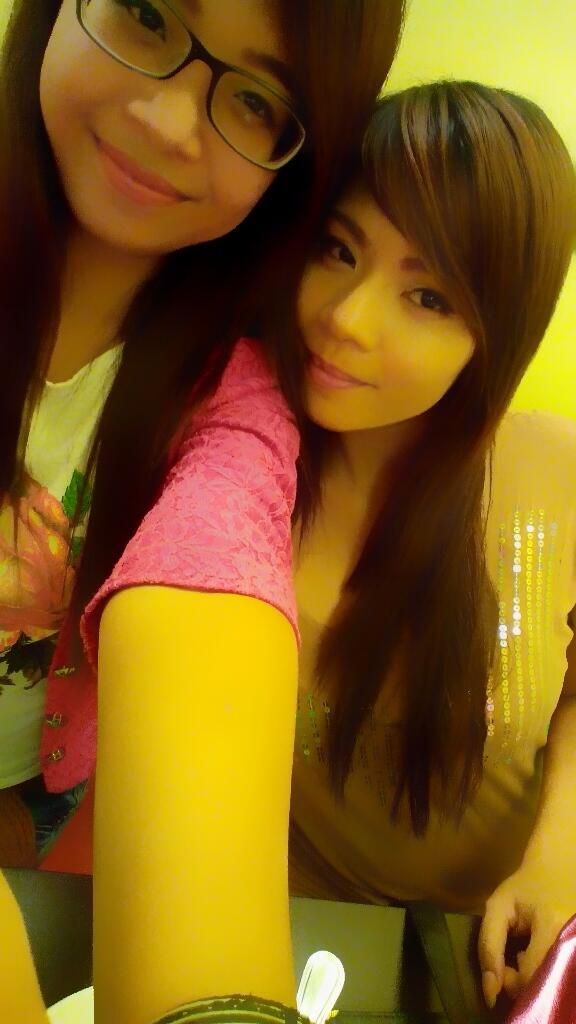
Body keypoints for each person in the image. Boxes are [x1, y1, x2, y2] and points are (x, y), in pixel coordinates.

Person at [0, 1, 406, 1021]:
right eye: (146, 14)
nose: (171, 121)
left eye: (257, 100)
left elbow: (216, 561)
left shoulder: (237, 401)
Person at [283, 81, 576, 1012]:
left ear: (496, 332)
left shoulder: (556, 471)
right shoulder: (236, 479)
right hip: (304, 927)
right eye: (339, 249)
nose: (347, 318)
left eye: (426, 295)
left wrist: (559, 858)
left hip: (504, 939)